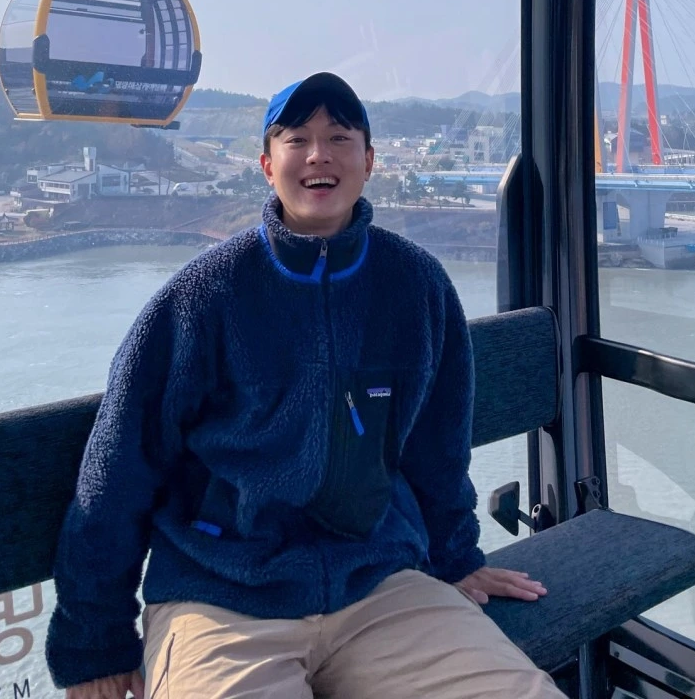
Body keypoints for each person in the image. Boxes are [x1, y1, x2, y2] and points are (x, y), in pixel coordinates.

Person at [46, 72, 559, 698]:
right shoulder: (203, 297)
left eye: (340, 138)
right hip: (222, 594)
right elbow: (120, 468)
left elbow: (439, 447)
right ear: (268, 165)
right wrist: (95, 639)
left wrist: (455, 558)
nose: (319, 154)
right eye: (297, 139)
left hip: (380, 582)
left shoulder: (415, 284)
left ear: (369, 162)